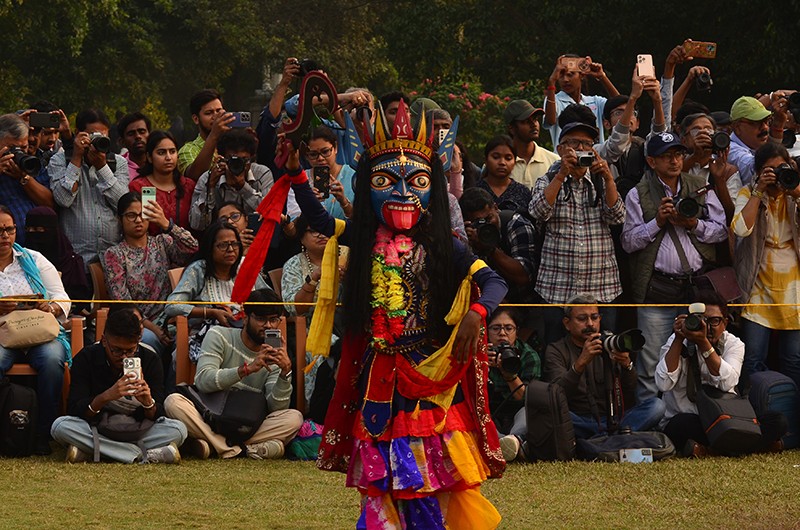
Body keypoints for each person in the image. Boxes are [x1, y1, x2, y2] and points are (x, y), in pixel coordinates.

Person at [281, 99, 507, 528]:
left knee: (430, 471)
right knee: (383, 474)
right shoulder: (362, 236)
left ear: (431, 188)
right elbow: (317, 218)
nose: (403, 192)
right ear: (368, 187)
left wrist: (477, 311)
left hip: (428, 372)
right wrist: (294, 173)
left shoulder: (442, 242)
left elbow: (496, 281)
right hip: (379, 372)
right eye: (387, 180)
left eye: (416, 181)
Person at [621, 132, 728, 401]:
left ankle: (695, 416)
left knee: (699, 357)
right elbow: (628, 242)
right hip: (657, 289)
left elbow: (721, 232)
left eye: (678, 154)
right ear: (651, 160)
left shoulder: (700, 186)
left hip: (695, 287)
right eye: (666, 156)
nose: (674, 161)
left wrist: (694, 224)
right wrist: (657, 222)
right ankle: (653, 420)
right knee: (651, 363)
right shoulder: (638, 193)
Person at [165, 289, 303, 459]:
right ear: (245, 317)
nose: (268, 326)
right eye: (260, 319)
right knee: (173, 402)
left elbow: (276, 408)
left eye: (274, 320)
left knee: (294, 417)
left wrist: (285, 373)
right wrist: (246, 370)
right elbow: (203, 381)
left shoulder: (275, 355)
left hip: (247, 421)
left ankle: (214, 445)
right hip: (211, 413)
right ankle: (241, 449)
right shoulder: (218, 335)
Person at [655, 291, 786, 456]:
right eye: (701, 320)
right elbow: (663, 384)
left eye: (714, 321)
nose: (707, 327)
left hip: (727, 419)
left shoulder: (734, 344)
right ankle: (750, 446)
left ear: (725, 323)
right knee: (680, 425)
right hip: (692, 419)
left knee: (778, 420)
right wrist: (678, 339)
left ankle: (710, 450)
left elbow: (728, 382)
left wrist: (704, 345)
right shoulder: (678, 340)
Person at [530, 121, 624, 347]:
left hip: (602, 289)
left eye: (586, 144)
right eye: (574, 143)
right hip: (557, 290)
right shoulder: (548, 179)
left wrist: (609, 179)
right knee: (555, 354)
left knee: (605, 354)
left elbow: (617, 217)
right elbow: (538, 212)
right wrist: (562, 174)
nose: (581, 148)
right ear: (561, 149)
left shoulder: (601, 180)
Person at [51, 306, 187, 463]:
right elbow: (75, 409)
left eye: (130, 351)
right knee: (60, 426)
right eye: (116, 350)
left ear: (138, 342)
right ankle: (141, 454)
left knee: (178, 430)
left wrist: (148, 403)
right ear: (103, 341)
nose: (123, 357)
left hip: (139, 428)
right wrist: (106, 397)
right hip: (98, 428)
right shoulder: (87, 357)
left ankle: (93, 451)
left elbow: (159, 413)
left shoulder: (150, 359)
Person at [0, 204, 71, 454]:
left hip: (37, 331)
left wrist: (49, 308)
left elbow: (63, 298)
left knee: (52, 359)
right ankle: (5, 431)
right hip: (2, 336)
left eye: (9, 229)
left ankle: (44, 432)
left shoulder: (34, 259)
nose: (5, 236)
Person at [544, 294, 665, 439]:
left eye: (594, 317)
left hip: (614, 418)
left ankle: (601, 437)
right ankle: (615, 437)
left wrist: (627, 365)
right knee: (550, 413)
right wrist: (580, 363)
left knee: (657, 406)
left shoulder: (610, 343)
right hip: (577, 419)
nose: (590, 324)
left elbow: (630, 388)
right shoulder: (556, 350)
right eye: (582, 319)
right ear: (567, 323)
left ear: (600, 319)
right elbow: (557, 394)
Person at [733, 142, 800, 388]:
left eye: (780, 168)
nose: (776, 175)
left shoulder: (795, 190)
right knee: (753, 358)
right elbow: (741, 229)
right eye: (769, 170)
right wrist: (759, 190)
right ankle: (753, 418)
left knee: (793, 359)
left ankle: (791, 419)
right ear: (759, 171)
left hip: (794, 287)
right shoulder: (748, 192)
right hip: (758, 285)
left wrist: (794, 190)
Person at [101, 192, 198, 360]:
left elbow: (193, 248)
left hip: (170, 318)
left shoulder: (162, 242)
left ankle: (175, 386)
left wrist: (167, 225)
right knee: (149, 340)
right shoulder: (114, 254)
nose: (138, 220)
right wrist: (154, 329)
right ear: (120, 219)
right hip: (138, 324)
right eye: (131, 216)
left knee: (188, 341)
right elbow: (123, 302)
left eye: (142, 215)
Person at [165, 220, 268, 348]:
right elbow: (172, 305)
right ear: (210, 248)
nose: (230, 250)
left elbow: (271, 301)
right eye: (223, 245)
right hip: (208, 335)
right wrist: (210, 312)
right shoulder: (198, 270)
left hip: (248, 334)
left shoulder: (245, 267)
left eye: (234, 244)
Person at [48, 108, 129, 270]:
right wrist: (77, 157)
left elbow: (123, 204)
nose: (97, 141)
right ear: (79, 133)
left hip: (113, 260)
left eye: (102, 136)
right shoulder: (59, 161)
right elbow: (64, 200)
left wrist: (102, 167)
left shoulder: (118, 162)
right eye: (92, 136)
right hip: (76, 261)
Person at [189, 129, 274, 231]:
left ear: (252, 158)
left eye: (244, 160)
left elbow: (270, 213)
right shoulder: (209, 177)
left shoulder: (261, 174)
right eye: (234, 160)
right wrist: (210, 188)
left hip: (255, 239)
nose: (239, 164)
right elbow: (196, 224)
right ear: (223, 158)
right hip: (221, 240)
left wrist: (243, 187)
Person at [460, 187, 537, 298]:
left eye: (488, 218)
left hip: (516, 300)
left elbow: (524, 276)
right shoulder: (467, 233)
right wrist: (465, 241)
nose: (486, 226)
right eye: (477, 222)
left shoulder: (517, 225)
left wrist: (489, 248)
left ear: (496, 208)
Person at [486, 308, 541, 462]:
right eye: (496, 328)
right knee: (479, 416)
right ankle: (513, 445)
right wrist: (480, 364)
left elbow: (525, 398)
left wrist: (510, 376)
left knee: (528, 412)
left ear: (517, 331)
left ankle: (510, 442)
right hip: (489, 409)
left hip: (518, 409)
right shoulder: (479, 353)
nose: (502, 333)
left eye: (508, 328)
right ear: (486, 331)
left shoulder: (528, 355)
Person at [0, 113, 55, 245]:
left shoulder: (31, 163)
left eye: (23, 147)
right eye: (12, 148)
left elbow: (49, 203)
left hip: (37, 246)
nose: (19, 152)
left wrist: (24, 177)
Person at [543, 54, 620, 144]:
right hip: (566, 156)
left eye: (570, 75)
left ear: (582, 75)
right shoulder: (554, 100)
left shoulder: (595, 102)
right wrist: (552, 81)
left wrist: (602, 77)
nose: (565, 80)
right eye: (561, 75)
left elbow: (619, 104)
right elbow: (550, 121)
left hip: (594, 156)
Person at [130, 130, 196, 234]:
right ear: (149, 157)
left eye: (172, 151)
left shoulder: (189, 185)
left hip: (187, 246)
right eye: (161, 152)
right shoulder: (138, 186)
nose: (168, 157)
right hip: (152, 248)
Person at [680, 113, 741, 221]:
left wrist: (719, 179)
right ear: (684, 141)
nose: (704, 135)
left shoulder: (728, 170)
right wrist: (694, 157)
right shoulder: (675, 165)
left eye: (709, 130)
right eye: (696, 131)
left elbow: (732, 217)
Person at [286, 126, 355, 220]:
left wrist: (343, 202)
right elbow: (293, 223)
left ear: (335, 148)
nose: (320, 158)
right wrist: (310, 205)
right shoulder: (299, 181)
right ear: (306, 156)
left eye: (325, 152)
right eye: (313, 154)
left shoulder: (353, 176)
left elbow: (362, 221)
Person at [24, 206, 91, 302]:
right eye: (28, 229)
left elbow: (80, 300)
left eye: (38, 229)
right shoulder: (22, 261)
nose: (32, 234)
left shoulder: (71, 263)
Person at [728, 95, 788, 186]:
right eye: (756, 123)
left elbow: (771, 155)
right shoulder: (730, 150)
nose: (765, 127)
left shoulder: (752, 144)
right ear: (737, 127)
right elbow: (757, 166)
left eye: (766, 121)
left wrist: (778, 126)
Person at [178, 89, 235, 182]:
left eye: (219, 111)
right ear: (196, 119)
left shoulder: (234, 145)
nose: (215, 117)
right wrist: (214, 135)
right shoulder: (188, 150)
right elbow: (195, 176)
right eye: (209, 113)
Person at [505, 100, 559, 189]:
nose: (533, 124)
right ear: (511, 128)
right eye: (526, 121)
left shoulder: (554, 162)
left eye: (535, 119)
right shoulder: (499, 164)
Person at [477, 135, 532, 212]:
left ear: (515, 162)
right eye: (496, 157)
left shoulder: (523, 192)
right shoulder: (475, 191)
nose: (502, 162)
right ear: (486, 160)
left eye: (508, 158)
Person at [117, 112, 151, 181]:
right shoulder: (117, 168)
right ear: (122, 142)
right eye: (131, 134)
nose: (138, 136)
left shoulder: (160, 164)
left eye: (142, 132)